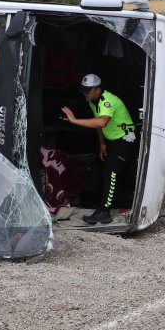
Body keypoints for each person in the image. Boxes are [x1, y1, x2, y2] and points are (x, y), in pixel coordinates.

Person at [61, 74, 136, 225]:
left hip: (125, 139)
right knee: (105, 171)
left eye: (88, 91)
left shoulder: (108, 101)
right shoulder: (93, 102)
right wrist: (102, 144)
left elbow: (101, 122)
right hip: (112, 140)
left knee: (111, 173)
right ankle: (110, 204)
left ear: (97, 89)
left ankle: (104, 212)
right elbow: (99, 125)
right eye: (83, 91)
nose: (85, 94)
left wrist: (74, 120)